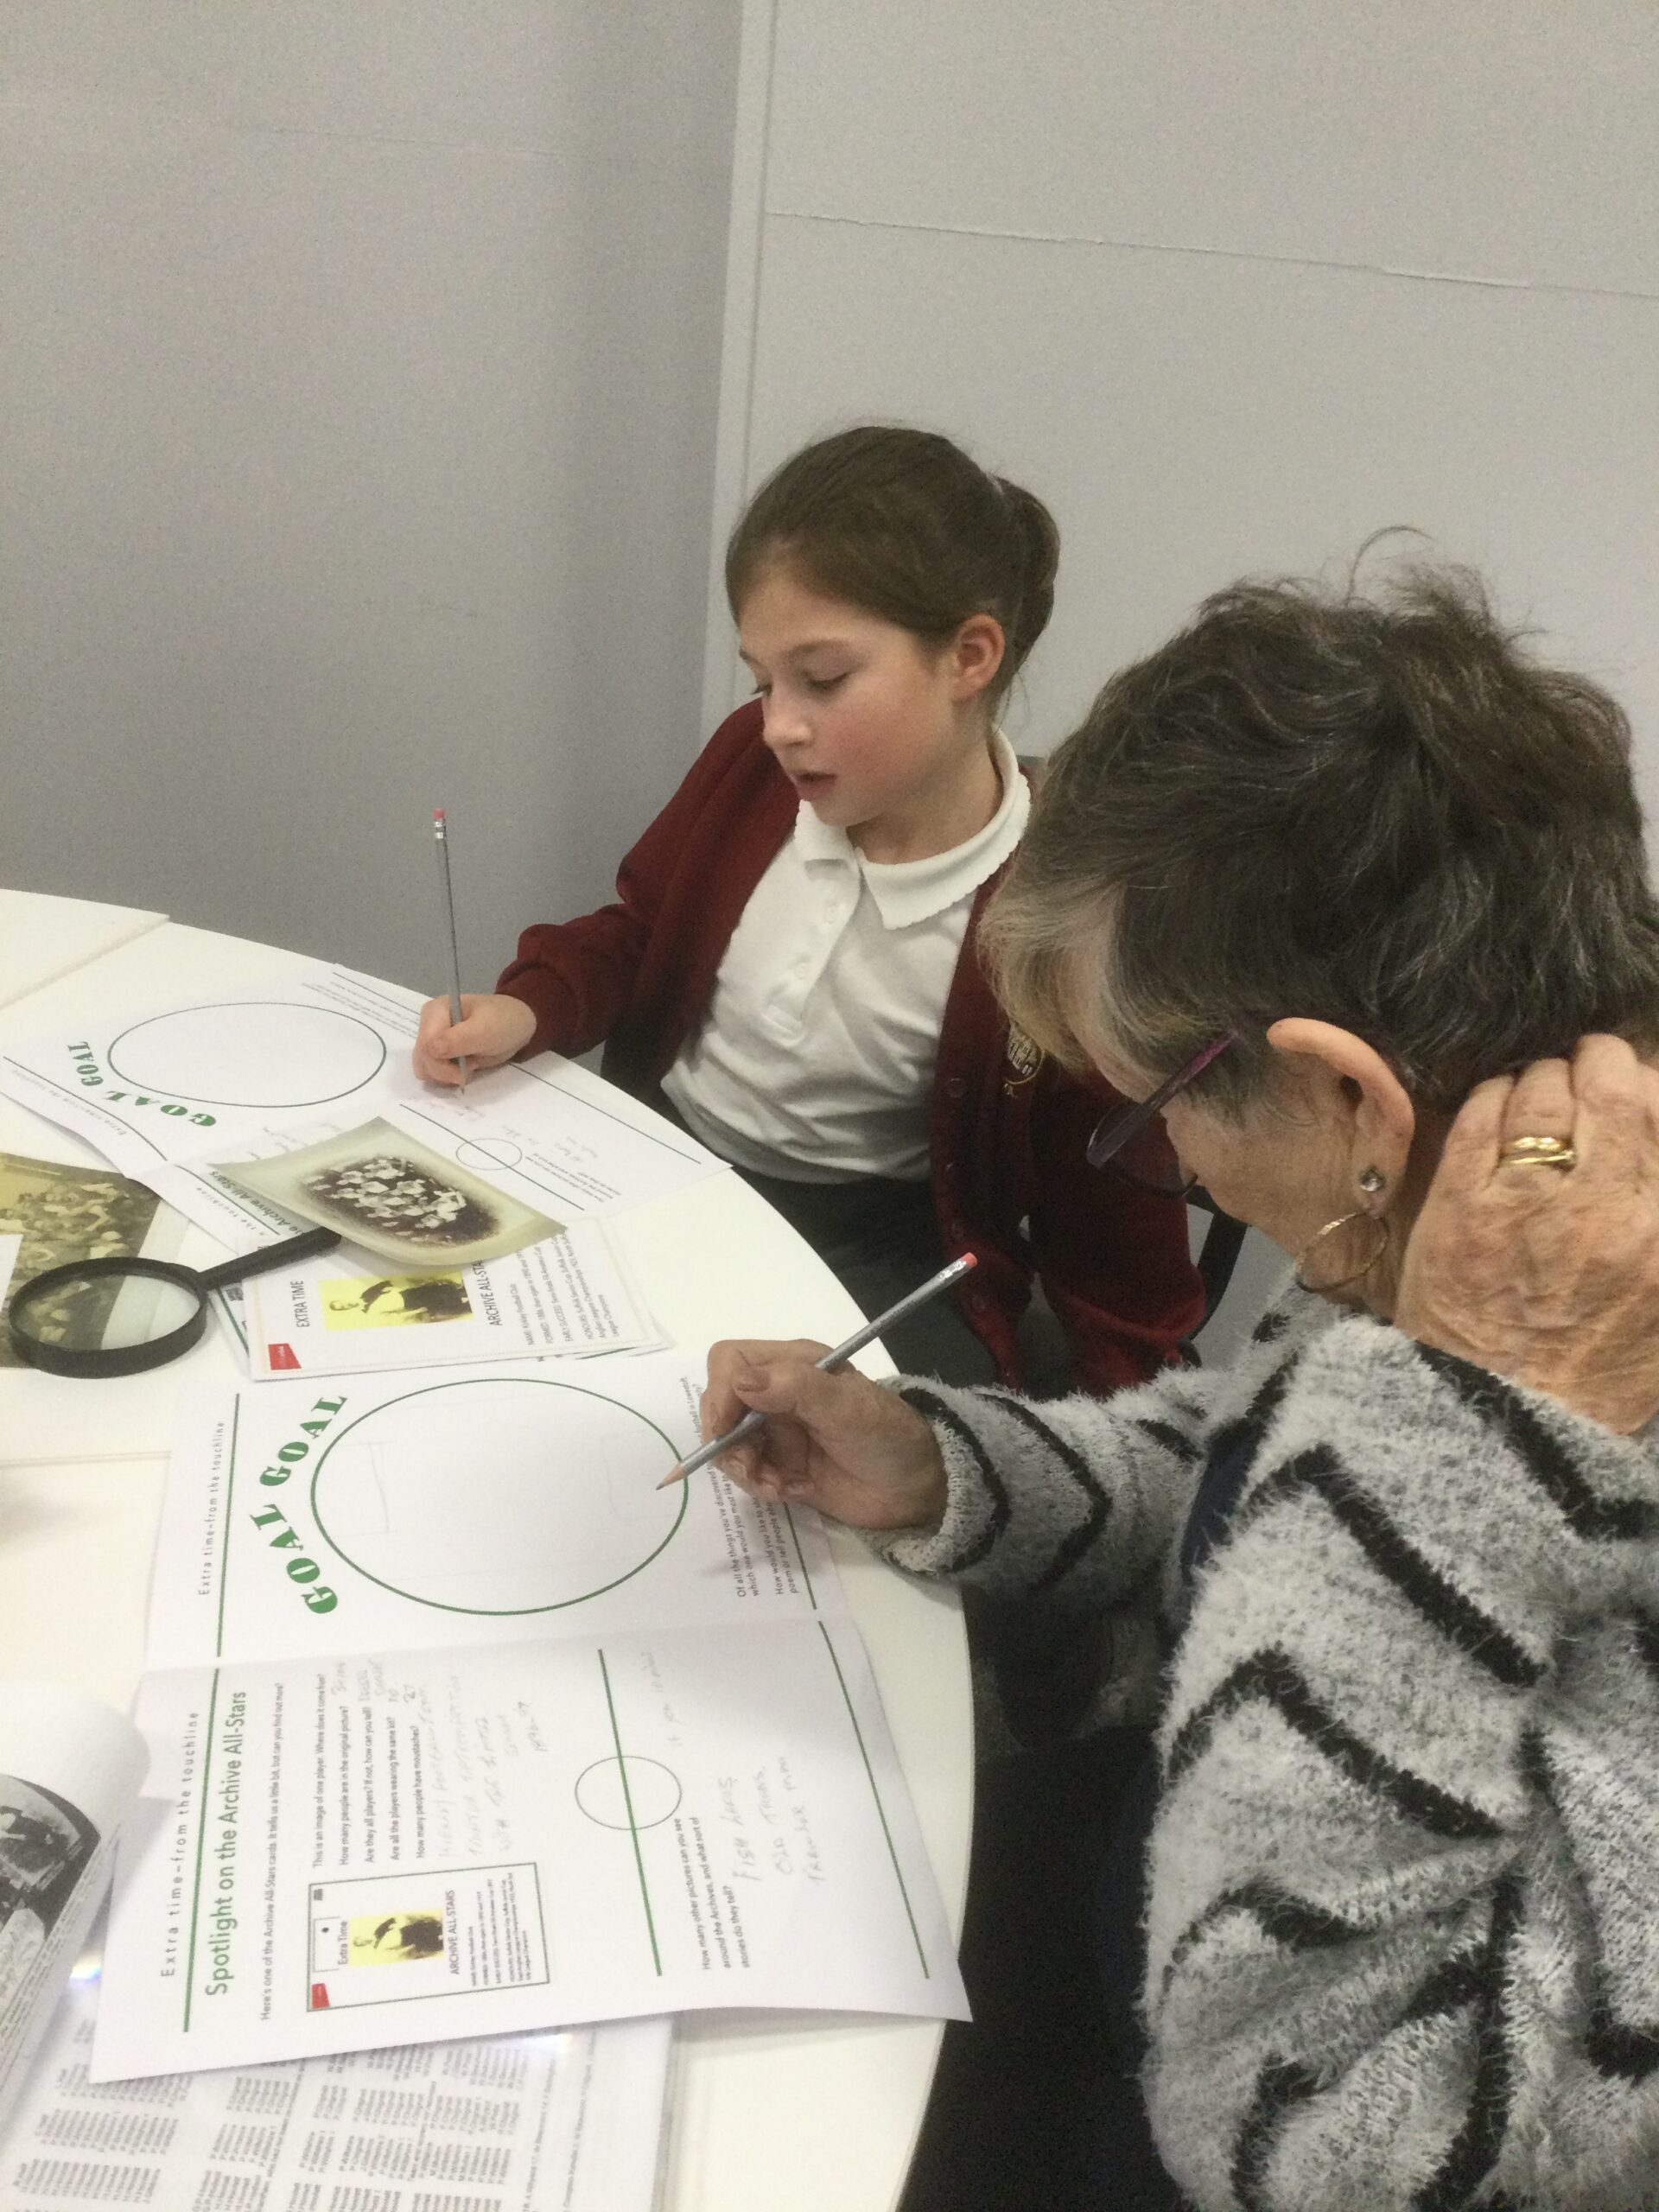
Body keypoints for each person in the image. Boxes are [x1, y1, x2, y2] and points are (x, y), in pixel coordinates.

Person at [696, 568, 1659, 2212]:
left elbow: (1314, 2127)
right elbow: (1266, 1473)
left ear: (1346, 1095)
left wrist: (1474, 1440)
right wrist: (943, 1468)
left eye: (1158, 1119)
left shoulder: (1528, 1335)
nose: (1180, 1173)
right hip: (1134, 1913)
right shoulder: (1489, 1185)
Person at [414, 427, 1201, 1391]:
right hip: (662, 1160)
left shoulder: (1056, 911)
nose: (779, 721)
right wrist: (529, 1008)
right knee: (475, 1334)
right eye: (762, 679)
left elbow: (1114, 1225)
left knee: (829, 1462)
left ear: (969, 656)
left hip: (874, 1246)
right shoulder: (754, 767)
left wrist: (1132, 1421)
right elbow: (639, 931)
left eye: (822, 680)